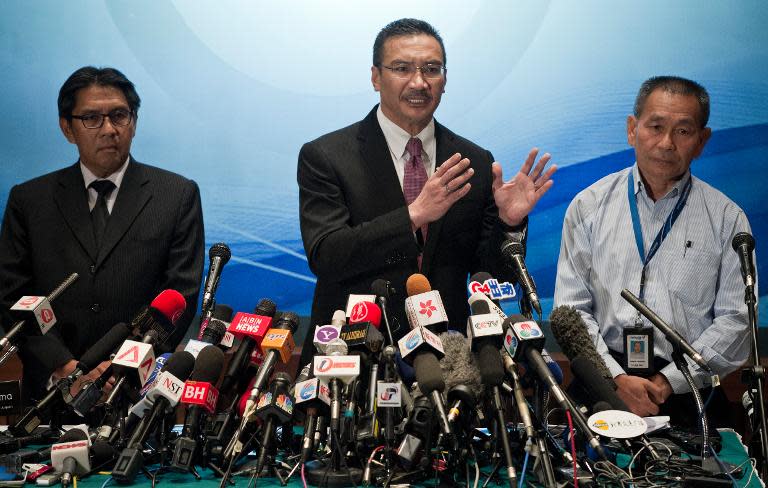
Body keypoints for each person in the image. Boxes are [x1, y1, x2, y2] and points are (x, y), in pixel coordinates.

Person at [298, 18, 555, 362]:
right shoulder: (327, 157)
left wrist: (508, 224)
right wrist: (414, 215)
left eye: (432, 69)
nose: (419, 82)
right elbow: (327, 255)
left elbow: (489, 282)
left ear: (445, 80)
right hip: (354, 362)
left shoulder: (473, 162)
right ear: (376, 77)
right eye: (402, 68)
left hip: (450, 362)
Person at [554, 76, 753, 426]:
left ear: (702, 141)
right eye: (655, 126)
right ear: (632, 129)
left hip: (687, 391)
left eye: (683, 131)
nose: (666, 143)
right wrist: (614, 378)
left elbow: (735, 322)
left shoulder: (727, 220)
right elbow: (571, 310)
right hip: (601, 382)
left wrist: (666, 382)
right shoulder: (588, 206)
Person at [0, 66, 205, 403]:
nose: (109, 129)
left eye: (119, 116)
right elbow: (14, 298)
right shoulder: (30, 200)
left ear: (134, 123)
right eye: (92, 118)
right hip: (49, 396)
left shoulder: (177, 195)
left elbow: (178, 295)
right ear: (67, 128)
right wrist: (64, 367)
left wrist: (120, 367)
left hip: (134, 393)